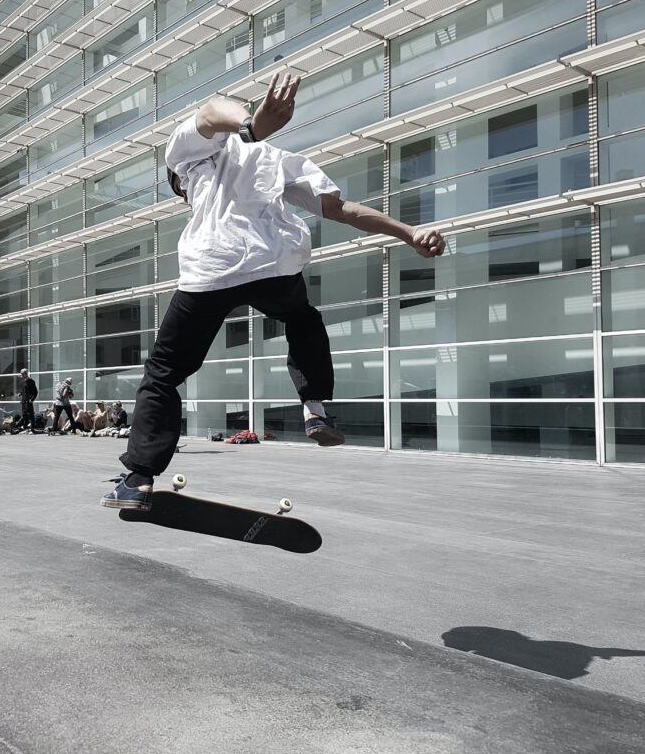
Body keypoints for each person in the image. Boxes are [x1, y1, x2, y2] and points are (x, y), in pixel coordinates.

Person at [102, 74, 444, 510]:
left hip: (213, 266)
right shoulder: (279, 158)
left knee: (163, 373)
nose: (183, 194)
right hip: (273, 265)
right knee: (303, 319)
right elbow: (341, 209)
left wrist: (251, 126)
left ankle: (137, 480)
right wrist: (408, 232)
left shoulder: (187, 159)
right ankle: (315, 407)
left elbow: (210, 110)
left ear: (176, 179)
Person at [17, 368, 38, 433]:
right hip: (24, 401)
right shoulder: (24, 381)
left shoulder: (31, 381)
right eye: (21, 374)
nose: (22, 375)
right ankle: (25, 428)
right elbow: (24, 391)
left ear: (26, 373)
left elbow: (35, 392)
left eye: (23, 374)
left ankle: (32, 429)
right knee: (24, 415)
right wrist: (20, 394)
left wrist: (32, 399)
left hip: (28, 401)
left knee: (30, 415)